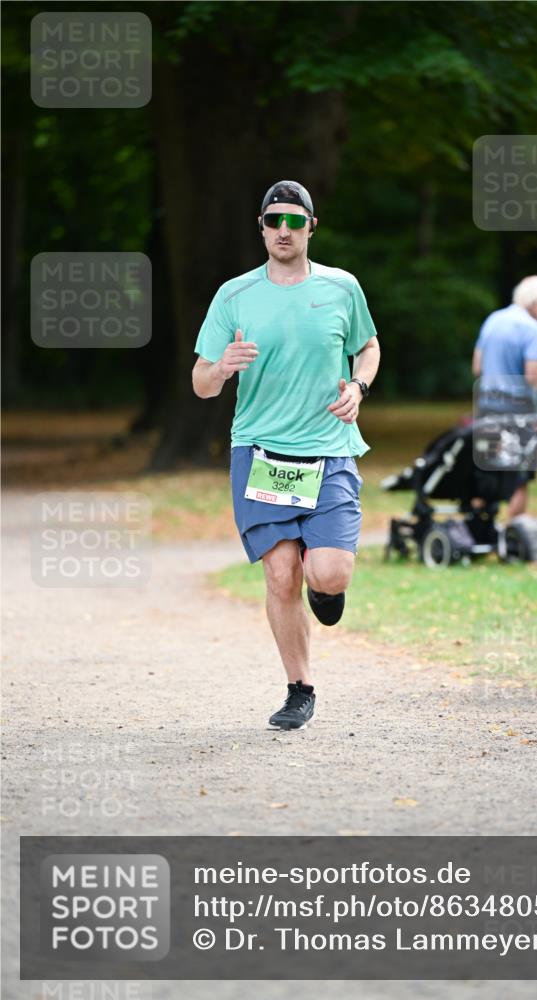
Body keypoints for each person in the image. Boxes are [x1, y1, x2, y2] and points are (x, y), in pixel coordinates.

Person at [192, 180, 380, 730]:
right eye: (274, 220)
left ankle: (325, 589)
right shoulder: (234, 296)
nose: (283, 230)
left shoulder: (342, 288)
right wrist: (222, 366)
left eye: (295, 221)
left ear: (311, 228)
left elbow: (367, 346)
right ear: (261, 227)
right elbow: (201, 383)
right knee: (280, 577)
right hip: (261, 453)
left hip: (329, 451)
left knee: (331, 574)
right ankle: (300, 688)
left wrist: (359, 387)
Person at [472, 275, 537, 517]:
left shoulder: (493, 320)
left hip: (487, 405)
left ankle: (480, 531)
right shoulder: (532, 328)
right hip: (518, 409)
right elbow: (533, 376)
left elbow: (477, 366)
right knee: (520, 475)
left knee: (487, 469)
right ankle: (513, 535)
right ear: (535, 301)